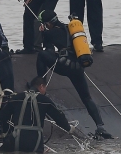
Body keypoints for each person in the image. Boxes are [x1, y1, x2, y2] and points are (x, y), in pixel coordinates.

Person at [36, 10, 112, 139]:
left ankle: (40, 85)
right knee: (86, 98)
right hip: (78, 68)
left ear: (48, 23)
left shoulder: (50, 33)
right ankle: (100, 126)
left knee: (41, 55)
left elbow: (48, 50)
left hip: (64, 66)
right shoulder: (71, 28)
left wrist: (44, 35)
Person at [0, 76, 73, 153]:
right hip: (36, 141)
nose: (45, 91)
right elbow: (58, 117)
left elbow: (2, 116)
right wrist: (68, 128)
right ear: (41, 86)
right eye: (45, 88)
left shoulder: (16, 98)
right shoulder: (45, 100)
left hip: (17, 138)